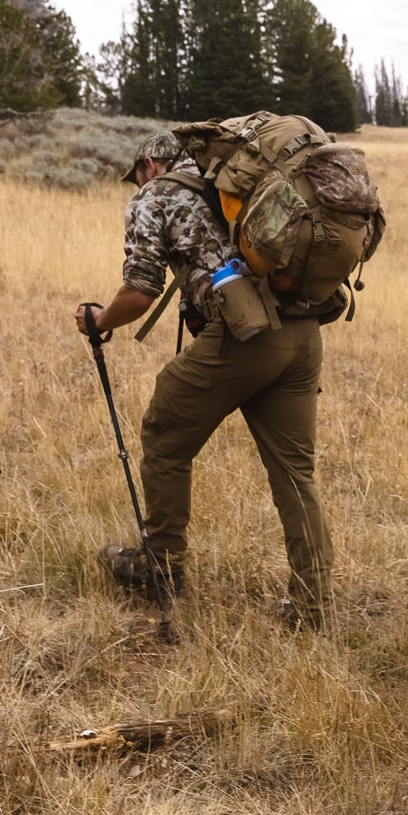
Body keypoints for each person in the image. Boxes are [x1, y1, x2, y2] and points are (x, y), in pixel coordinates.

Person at [73, 129, 338, 628]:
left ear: (152, 164)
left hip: (247, 335)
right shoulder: (232, 187)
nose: (139, 184)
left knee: (164, 434)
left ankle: (161, 569)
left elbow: (140, 291)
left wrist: (99, 321)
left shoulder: (156, 194)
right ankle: (314, 607)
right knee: (295, 474)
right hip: (303, 334)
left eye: (138, 175)